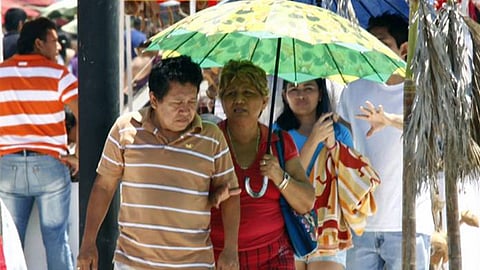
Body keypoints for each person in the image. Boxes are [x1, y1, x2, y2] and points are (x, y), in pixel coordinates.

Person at [77, 55, 241, 270]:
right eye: (177, 103)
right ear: (154, 100)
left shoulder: (211, 137)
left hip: (194, 263)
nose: (186, 110)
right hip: (133, 263)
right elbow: (104, 186)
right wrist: (88, 243)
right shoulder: (126, 129)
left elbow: (231, 195)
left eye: (192, 101)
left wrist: (231, 249)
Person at [337, 13, 433, 270]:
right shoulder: (353, 90)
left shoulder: (421, 89)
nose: (373, 50)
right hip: (362, 225)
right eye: (368, 43)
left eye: (381, 43)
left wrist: (389, 120)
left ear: (403, 49)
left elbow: (434, 132)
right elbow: (344, 145)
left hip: (409, 223)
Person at [210, 60, 316, 269]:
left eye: (248, 92)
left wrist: (279, 176)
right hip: (221, 256)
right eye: (231, 93)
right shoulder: (210, 141)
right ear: (222, 100)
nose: (239, 99)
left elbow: (306, 202)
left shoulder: (279, 142)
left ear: (265, 100)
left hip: (274, 255)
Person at [0, 17, 79, 270]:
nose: (58, 47)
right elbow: (83, 115)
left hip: (7, 167)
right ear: (38, 43)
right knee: (57, 240)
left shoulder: (1, 73)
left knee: (10, 243)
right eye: (54, 41)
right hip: (49, 167)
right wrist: (82, 156)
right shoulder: (59, 74)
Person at [275, 78, 353, 270]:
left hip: (328, 226)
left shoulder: (338, 132)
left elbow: (349, 183)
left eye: (308, 88)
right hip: (288, 226)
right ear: (284, 95)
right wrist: (314, 140)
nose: (300, 95)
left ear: (320, 94)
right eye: (293, 89)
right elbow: (284, 181)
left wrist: (333, 146)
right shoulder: (277, 133)